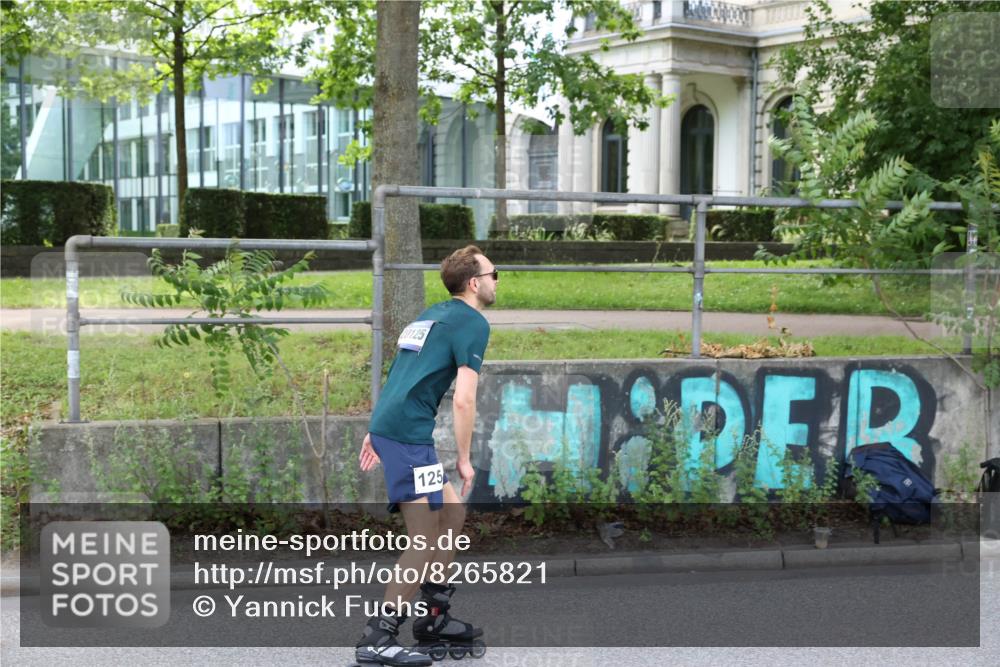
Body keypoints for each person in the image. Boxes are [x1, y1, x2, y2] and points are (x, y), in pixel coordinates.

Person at [354, 245, 497, 666]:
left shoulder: (430, 314)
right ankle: (377, 637)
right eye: (493, 274)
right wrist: (466, 459)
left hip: (397, 429)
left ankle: (434, 617)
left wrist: (375, 427)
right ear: (474, 283)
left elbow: (401, 373)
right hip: (407, 437)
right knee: (424, 537)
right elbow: (464, 400)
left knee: (451, 515)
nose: (495, 281)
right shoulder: (472, 323)